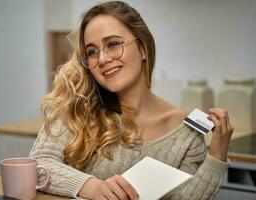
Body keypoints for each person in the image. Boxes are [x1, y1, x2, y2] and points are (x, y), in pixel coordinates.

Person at [29, 1, 233, 200]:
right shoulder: (77, 106)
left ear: (143, 48)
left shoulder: (186, 132)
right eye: (92, 52)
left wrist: (217, 155)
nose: (102, 59)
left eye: (113, 44)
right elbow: (36, 165)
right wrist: (92, 187)